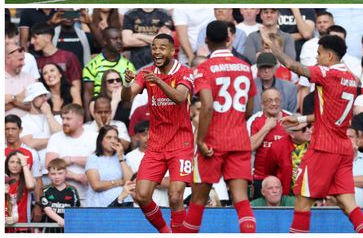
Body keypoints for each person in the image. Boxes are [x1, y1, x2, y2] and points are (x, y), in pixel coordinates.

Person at [269, 34, 363, 233]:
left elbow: (292, 65)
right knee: (348, 204)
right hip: (343, 148)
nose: (317, 58)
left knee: (302, 202)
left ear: (330, 56)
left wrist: (273, 47)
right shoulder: (352, 79)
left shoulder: (327, 73)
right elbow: (329, 115)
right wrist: (301, 119)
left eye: (319, 53)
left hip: (324, 147)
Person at [183, 21, 257, 233]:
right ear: (228, 39)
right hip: (239, 139)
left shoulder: (204, 68)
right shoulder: (245, 67)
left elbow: (207, 105)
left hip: (212, 142)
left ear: (206, 40)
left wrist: (200, 140)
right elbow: (249, 109)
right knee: (241, 199)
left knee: (198, 200)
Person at [122, 33, 193, 232]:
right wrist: (126, 83)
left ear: (172, 51)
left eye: (162, 48)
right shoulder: (146, 73)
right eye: (154, 47)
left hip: (181, 143)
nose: (157, 52)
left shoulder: (185, 72)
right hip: (156, 145)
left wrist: (159, 81)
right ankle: (165, 232)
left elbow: (180, 97)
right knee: (141, 195)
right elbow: (127, 97)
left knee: (175, 196)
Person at [44, 104, 97, 203]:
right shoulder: (55, 138)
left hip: (90, 196)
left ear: (80, 120)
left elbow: (98, 162)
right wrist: (77, 176)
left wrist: (71, 159)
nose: (64, 122)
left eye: (68, 119)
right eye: (63, 119)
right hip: (61, 197)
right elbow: (50, 165)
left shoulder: (94, 137)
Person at [247, 88, 292, 200]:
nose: (274, 103)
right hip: (260, 177)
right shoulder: (254, 120)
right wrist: (267, 127)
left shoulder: (291, 118)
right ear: (262, 104)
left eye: (277, 100)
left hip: (286, 176)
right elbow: (249, 146)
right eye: (270, 100)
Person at [81, 27, 136, 115]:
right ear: (105, 41)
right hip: (99, 109)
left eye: (120, 38)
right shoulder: (92, 65)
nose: (119, 42)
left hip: (123, 108)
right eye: (115, 39)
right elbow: (88, 94)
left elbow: (132, 91)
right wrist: (88, 118)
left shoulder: (128, 65)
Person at [30, 22, 82, 104]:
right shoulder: (35, 62)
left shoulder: (69, 57)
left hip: (69, 104)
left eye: (35, 38)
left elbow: (76, 86)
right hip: (46, 105)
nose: (32, 42)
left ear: (47, 37)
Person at [84, 126, 133, 206]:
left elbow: (129, 181)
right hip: (101, 205)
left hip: (124, 203)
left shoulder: (122, 157)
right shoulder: (93, 158)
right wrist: (119, 182)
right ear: (101, 140)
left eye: (115, 138)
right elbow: (96, 185)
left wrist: (120, 157)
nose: (113, 141)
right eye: (109, 137)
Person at [39, 158, 79, 228]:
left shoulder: (72, 190)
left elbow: (76, 210)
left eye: (60, 173)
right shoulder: (44, 190)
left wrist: (69, 223)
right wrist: (61, 221)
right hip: (49, 229)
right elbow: (47, 209)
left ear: (66, 173)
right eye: (53, 174)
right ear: (48, 174)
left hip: (68, 228)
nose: (57, 177)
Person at [6, 150, 36, 229]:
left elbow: (31, 186)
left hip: (23, 227)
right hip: (5, 227)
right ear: (7, 164)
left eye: (19, 162)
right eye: (12, 162)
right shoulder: (3, 181)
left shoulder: (28, 180)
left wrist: (25, 165)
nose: (15, 165)